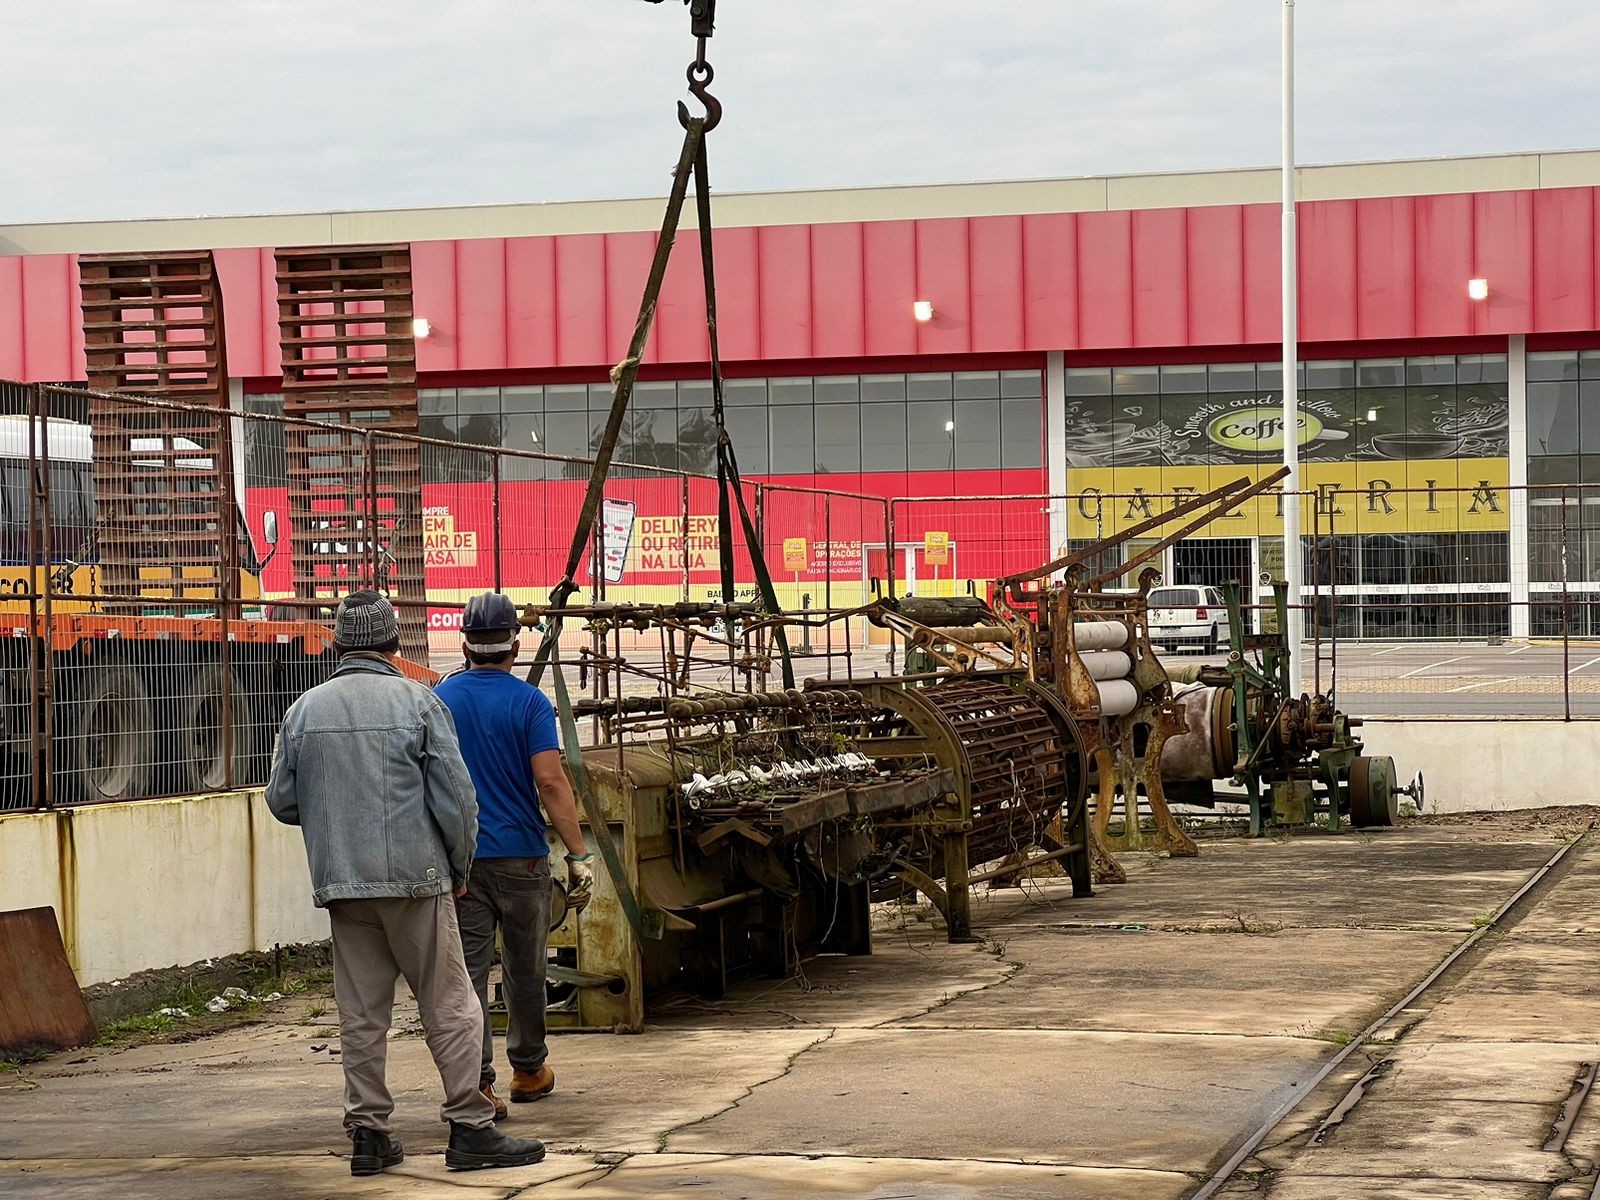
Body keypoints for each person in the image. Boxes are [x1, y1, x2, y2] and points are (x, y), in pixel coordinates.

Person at [266, 590, 547, 1176]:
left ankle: (368, 1135)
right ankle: (470, 1127)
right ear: (396, 644)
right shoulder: (418, 704)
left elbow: (283, 800)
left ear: (336, 643)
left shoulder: (304, 711)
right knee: (449, 1003)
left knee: (362, 1014)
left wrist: (339, 818)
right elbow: (457, 801)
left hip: (344, 885)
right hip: (419, 883)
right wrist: (460, 867)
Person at [435, 592, 595, 1121]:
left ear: (464, 643)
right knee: (526, 968)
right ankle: (528, 1070)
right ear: (516, 645)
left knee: (469, 975)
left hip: (462, 862)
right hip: (523, 860)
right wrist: (578, 854)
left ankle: (477, 1083)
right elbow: (550, 781)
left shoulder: (442, 699)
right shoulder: (529, 703)